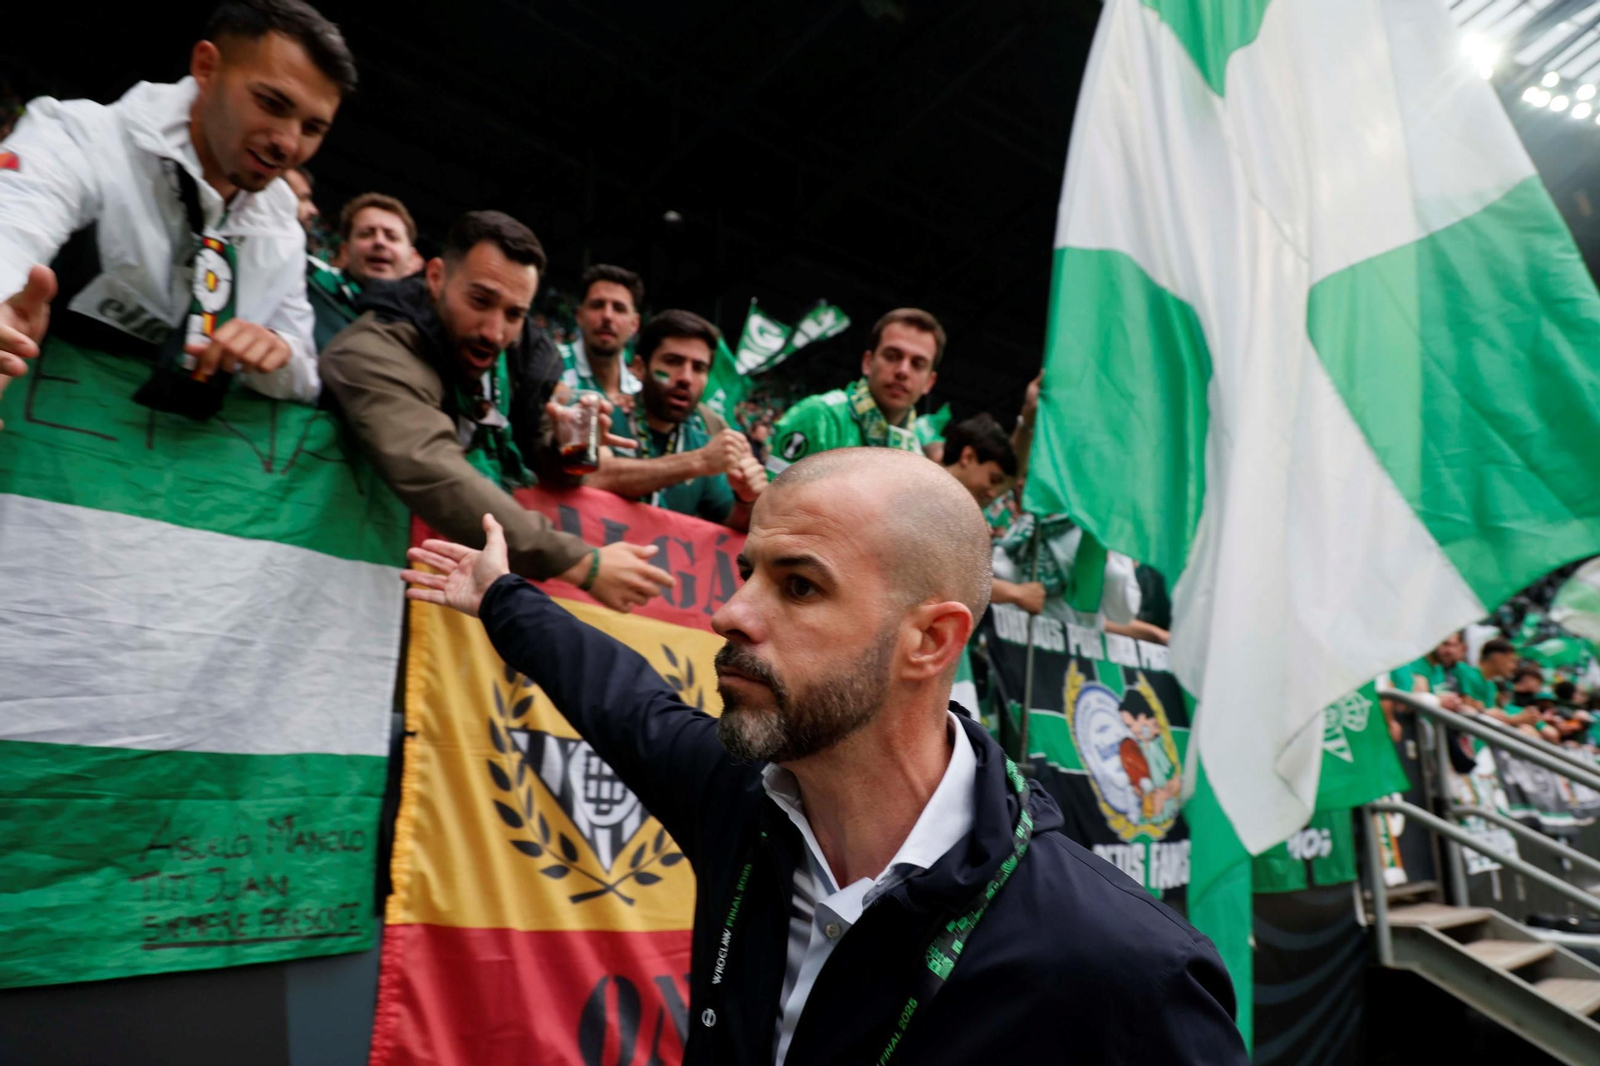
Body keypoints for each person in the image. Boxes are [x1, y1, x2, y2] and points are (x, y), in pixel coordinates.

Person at [402, 448, 1246, 1065]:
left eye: (799, 585)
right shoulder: (737, 799)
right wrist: (500, 596)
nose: (730, 613)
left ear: (930, 640)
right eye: (746, 573)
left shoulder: (1125, 965)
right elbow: (621, 699)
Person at [0, 0, 350, 417]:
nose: (289, 144)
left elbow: (304, 372)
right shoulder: (78, 138)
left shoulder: (284, 230)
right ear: (206, 67)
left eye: (312, 128)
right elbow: (12, 230)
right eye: (272, 103)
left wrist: (277, 351)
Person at [320, 209, 671, 612]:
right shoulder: (373, 350)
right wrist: (579, 562)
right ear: (436, 277)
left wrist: (560, 446)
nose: (494, 330)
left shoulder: (523, 360)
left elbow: (538, 459)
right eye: (480, 301)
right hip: (354, 586)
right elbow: (433, 469)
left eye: (514, 314)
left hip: (445, 601)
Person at [583, 309, 766, 531]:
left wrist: (746, 500)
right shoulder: (603, 418)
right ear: (639, 368)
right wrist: (698, 462)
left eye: (698, 368)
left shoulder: (701, 443)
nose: (686, 378)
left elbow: (730, 525)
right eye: (672, 361)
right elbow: (591, 476)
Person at [766, 308, 944, 475]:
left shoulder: (917, 459)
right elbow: (772, 494)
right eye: (891, 356)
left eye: (917, 364)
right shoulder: (817, 417)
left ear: (929, 382)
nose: (903, 371)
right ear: (868, 363)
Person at [306, 191, 420, 349]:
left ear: (411, 259)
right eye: (366, 234)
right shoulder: (308, 287)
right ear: (345, 251)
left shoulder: (424, 326)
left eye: (391, 237)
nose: (379, 242)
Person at [558, 263, 643, 411]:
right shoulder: (550, 364)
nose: (607, 316)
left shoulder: (639, 395)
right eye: (597, 305)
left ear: (634, 324)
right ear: (579, 316)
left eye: (619, 308)